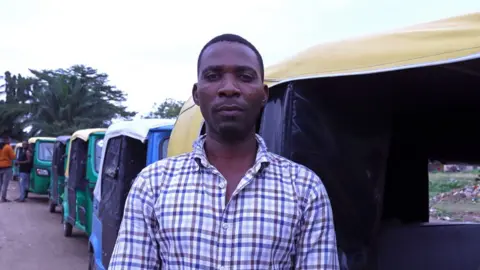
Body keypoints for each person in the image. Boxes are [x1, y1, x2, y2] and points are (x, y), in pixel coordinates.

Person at [109, 34, 340, 269]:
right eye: (213, 76)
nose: (229, 88)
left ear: (264, 95)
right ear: (197, 94)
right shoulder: (152, 184)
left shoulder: (305, 189)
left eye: (245, 76)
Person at [0, 134, 16, 202]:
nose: (10, 140)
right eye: (9, 139)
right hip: (7, 167)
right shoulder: (8, 147)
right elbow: (13, 157)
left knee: (0, 183)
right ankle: (3, 198)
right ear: (6, 140)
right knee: (5, 184)